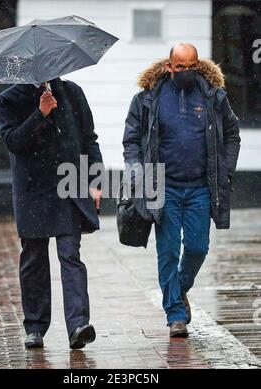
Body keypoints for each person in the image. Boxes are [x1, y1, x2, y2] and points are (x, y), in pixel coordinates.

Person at [123, 43, 240, 338]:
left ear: (198, 65)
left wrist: (225, 171)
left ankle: (178, 288)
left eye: (191, 67)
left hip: (201, 187)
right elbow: (132, 139)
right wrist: (136, 171)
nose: (186, 72)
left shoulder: (214, 97)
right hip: (164, 188)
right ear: (169, 67)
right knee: (168, 250)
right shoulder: (148, 99)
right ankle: (175, 314)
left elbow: (232, 134)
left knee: (198, 247)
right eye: (180, 67)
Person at [0, 77, 103, 349]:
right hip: (32, 193)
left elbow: (89, 139)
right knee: (34, 261)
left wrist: (96, 181)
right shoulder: (9, 99)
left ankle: (78, 325)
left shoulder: (72, 93)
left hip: (69, 188)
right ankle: (35, 327)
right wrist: (40, 114)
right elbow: (13, 142)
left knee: (71, 256)